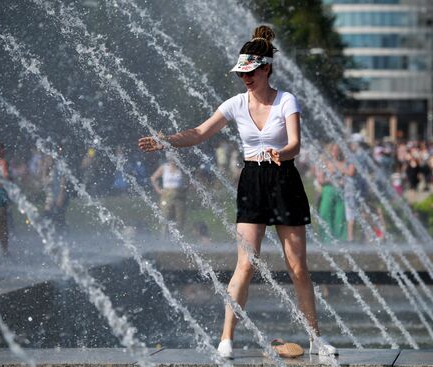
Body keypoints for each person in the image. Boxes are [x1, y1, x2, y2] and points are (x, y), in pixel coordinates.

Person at [138, 25, 337, 359]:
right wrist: (167, 140)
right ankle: (226, 338)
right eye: (241, 73)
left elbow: (295, 143)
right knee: (245, 264)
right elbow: (200, 132)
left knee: (298, 267)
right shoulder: (234, 104)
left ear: (266, 69)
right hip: (252, 182)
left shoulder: (287, 100)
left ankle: (316, 339)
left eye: (250, 72)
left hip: (284, 180)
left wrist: (281, 154)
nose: (245, 78)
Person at [150, 153, 186, 238]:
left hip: (178, 195)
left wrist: (185, 188)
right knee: (165, 218)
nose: (173, 161)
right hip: (167, 195)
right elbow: (153, 178)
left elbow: (186, 180)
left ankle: (179, 239)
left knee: (179, 219)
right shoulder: (164, 168)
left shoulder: (180, 168)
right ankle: (164, 239)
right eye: (171, 159)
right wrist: (158, 190)